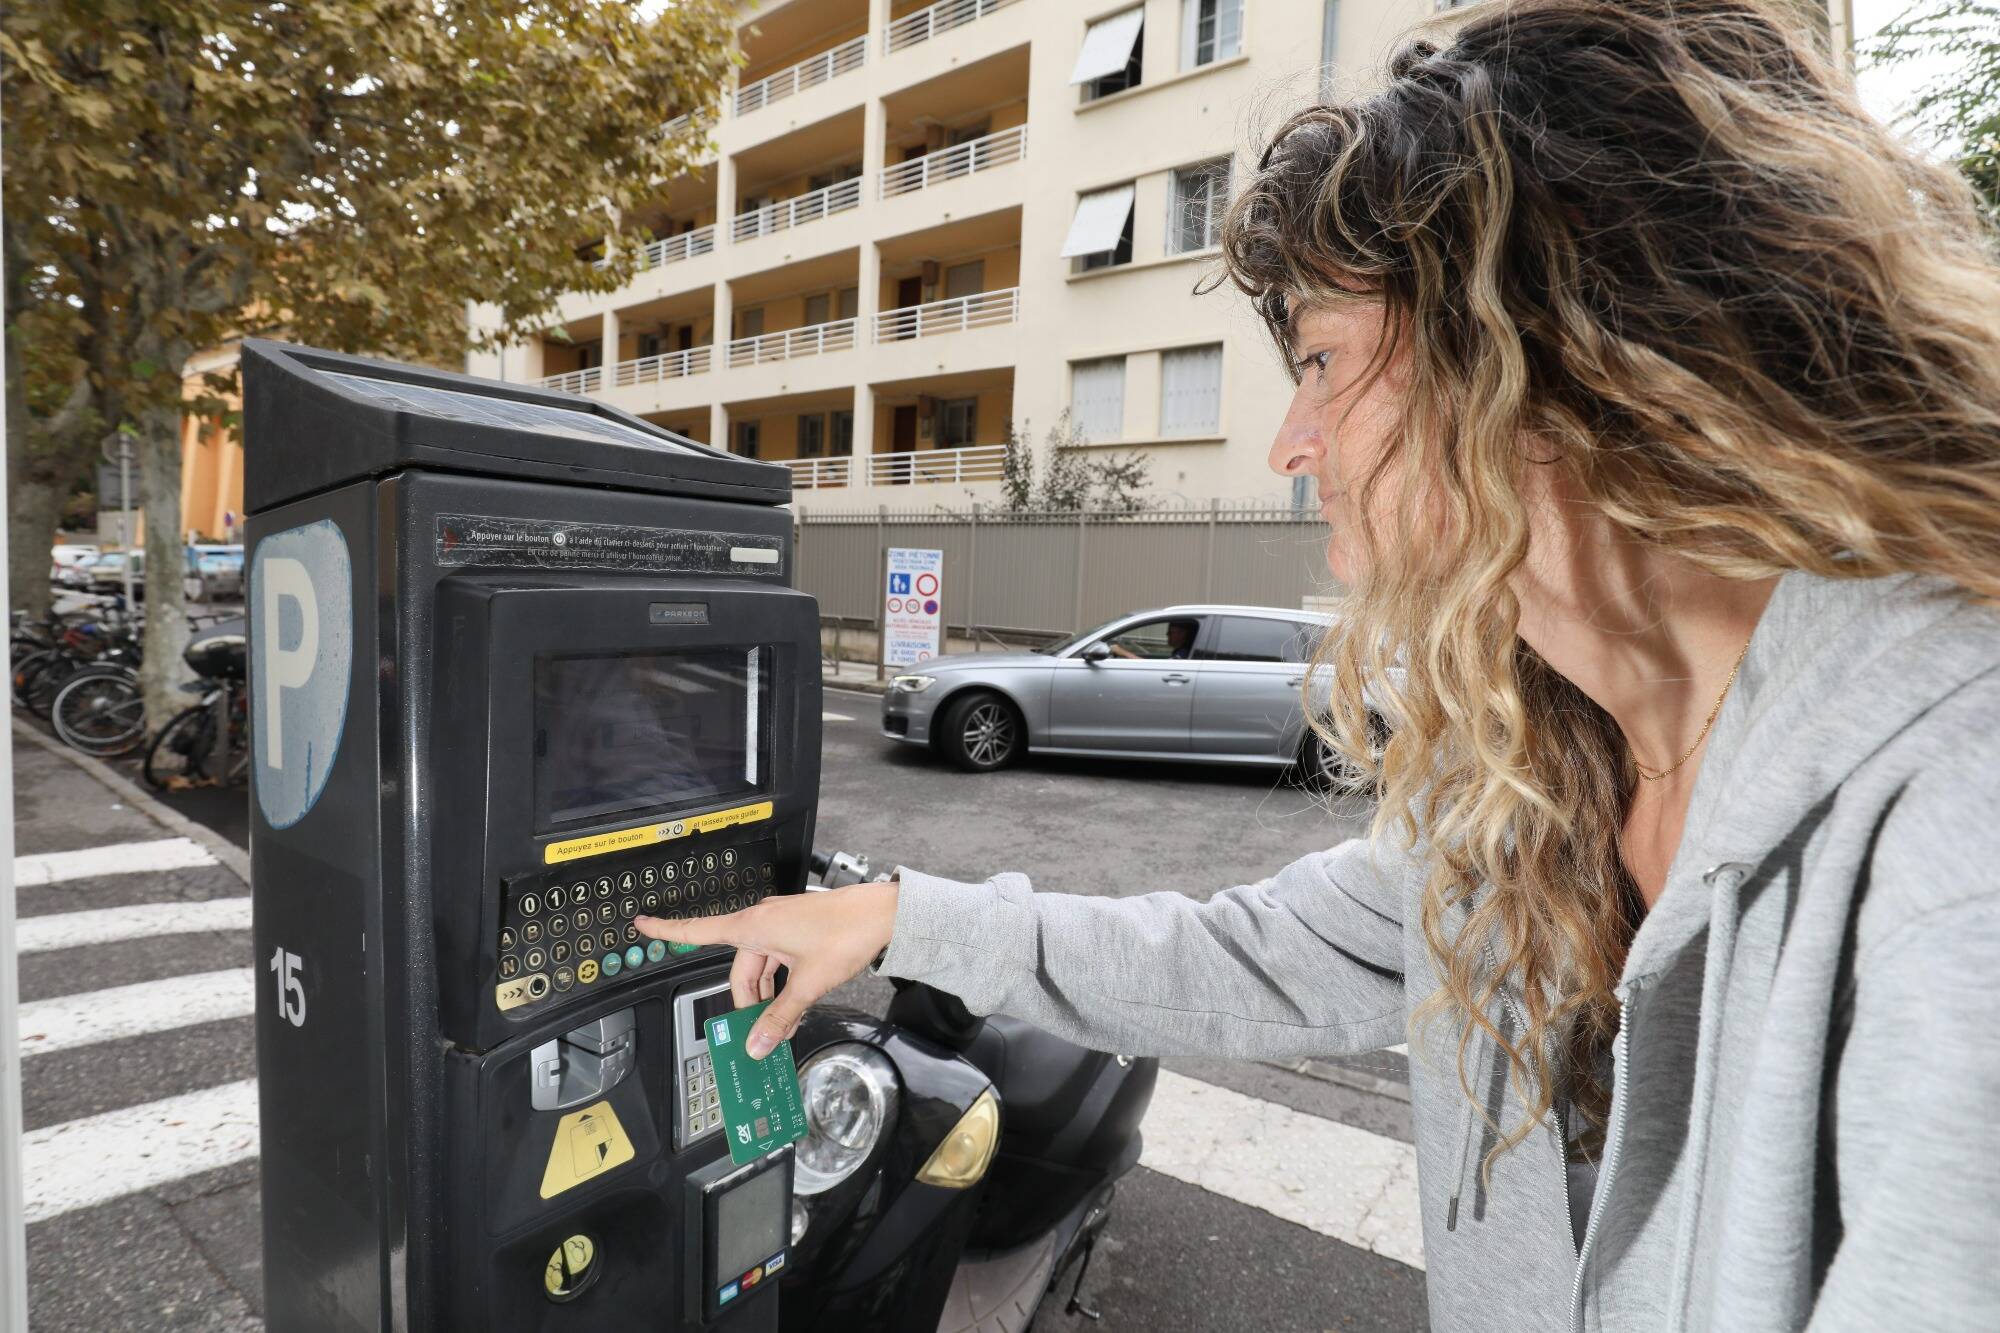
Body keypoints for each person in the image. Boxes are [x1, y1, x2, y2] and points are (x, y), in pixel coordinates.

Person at [639, 1, 2000, 1327]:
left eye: (1324, 362)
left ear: (1550, 344)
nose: (1291, 442)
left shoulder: (1954, 827)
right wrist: (896, 918)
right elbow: (1260, 956)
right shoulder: (1536, 776)